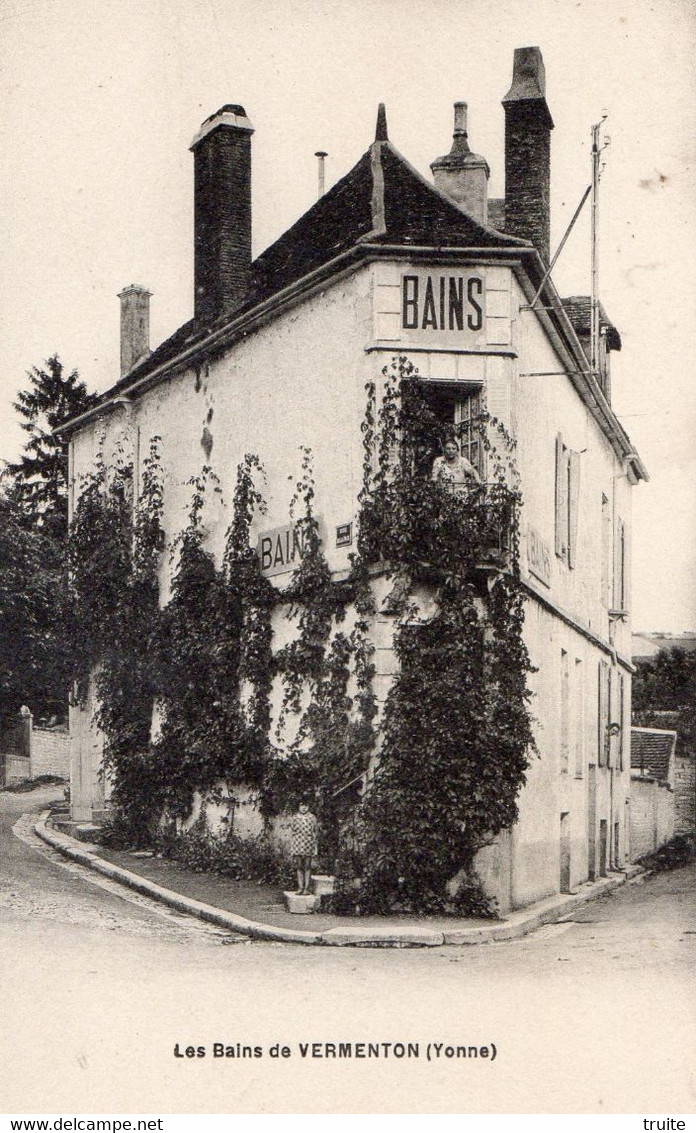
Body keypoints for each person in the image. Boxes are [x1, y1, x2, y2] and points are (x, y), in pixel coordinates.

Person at [290, 798, 319, 895]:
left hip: (308, 844)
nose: (304, 808)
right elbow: (293, 832)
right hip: (298, 844)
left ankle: (306, 888)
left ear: (309, 807)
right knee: (299, 866)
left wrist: (315, 847)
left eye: (306, 806)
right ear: (298, 806)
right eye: (302, 805)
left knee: (307, 866)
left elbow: (315, 832)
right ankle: (300, 887)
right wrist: (293, 846)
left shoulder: (312, 817)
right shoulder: (295, 818)